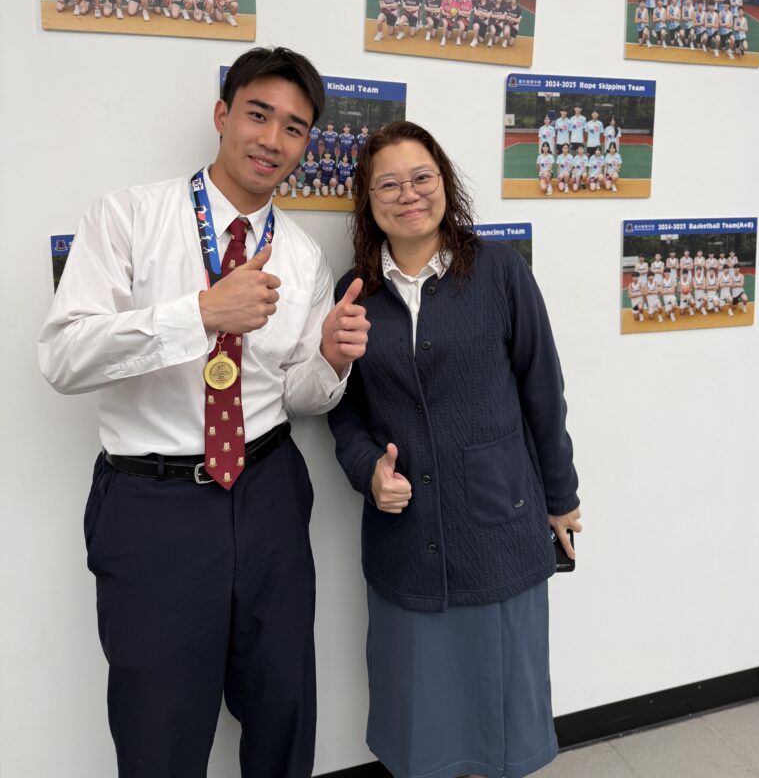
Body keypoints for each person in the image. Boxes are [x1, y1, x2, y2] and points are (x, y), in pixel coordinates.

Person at [38, 46, 370, 778]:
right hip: (152, 505)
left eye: (294, 128)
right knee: (158, 730)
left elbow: (297, 396)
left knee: (284, 709)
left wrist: (331, 362)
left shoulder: (303, 257)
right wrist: (200, 313)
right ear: (222, 115)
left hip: (269, 493)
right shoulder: (127, 218)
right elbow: (63, 358)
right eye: (258, 114)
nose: (272, 140)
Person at [328, 121, 580, 778]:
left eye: (422, 177)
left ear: (444, 183)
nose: (409, 194)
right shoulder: (354, 293)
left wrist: (561, 498)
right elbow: (342, 408)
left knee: (503, 714)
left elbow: (543, 389)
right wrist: (367, 471)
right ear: (367, 201)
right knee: (423, 720)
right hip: (406, 538)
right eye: (388, 184)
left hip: (497, 524)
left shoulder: (499, 272)